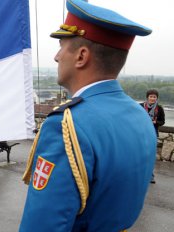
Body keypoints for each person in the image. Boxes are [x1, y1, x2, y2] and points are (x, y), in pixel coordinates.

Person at [19, 0, 156, 231]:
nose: (56, 56)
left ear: (81, 56)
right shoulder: (139, 115)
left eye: (62, 46)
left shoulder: (65, 126)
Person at [141, 89, 165, 184]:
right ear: (147, 97)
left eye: (154, 97)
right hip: (141, 132)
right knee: (140, 154)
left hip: (152, 132)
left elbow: (162, 121)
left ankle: (150, 176)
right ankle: (138, 174)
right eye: (151, 96)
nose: (152, 98)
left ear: (157, 98)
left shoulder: (159, 108)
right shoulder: (140, 106)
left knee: (150, 154)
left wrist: (155, 122)